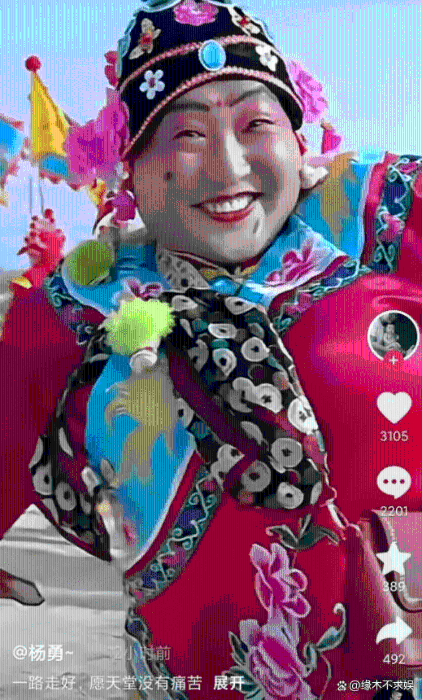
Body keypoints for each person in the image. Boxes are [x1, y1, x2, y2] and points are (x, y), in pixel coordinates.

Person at [1, 1, 421, 699]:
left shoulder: (376, 213)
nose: (227, 166)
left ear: (298, 136)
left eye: (257, 124)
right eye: (187, 135)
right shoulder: (78, 303)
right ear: (131, 163)